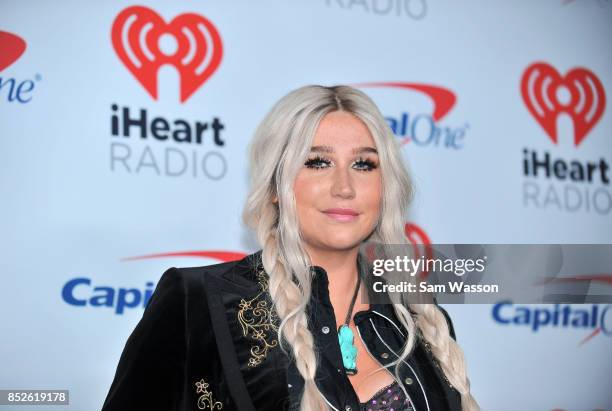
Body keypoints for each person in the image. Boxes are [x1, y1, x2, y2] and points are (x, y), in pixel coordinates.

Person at [101, 85, 479, 411]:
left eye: (364, 164)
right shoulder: (198, 300)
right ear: (274, 187)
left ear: (386, 187)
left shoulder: (423, 320)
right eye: (317, 162)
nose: (344, 187)